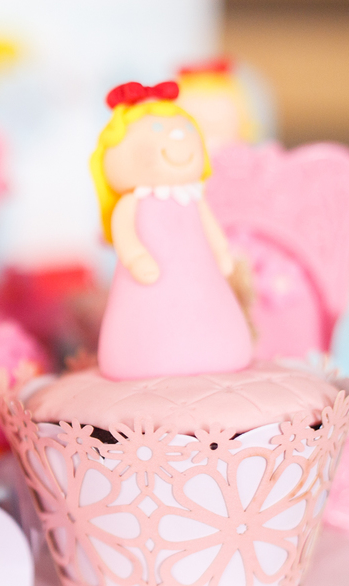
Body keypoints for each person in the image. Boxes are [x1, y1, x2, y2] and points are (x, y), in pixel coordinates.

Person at [91, 81, 252, 381]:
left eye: (186, 130)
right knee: (154, 325)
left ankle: (217, 347)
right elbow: (125, 238)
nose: (178, 137)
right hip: (149, 287)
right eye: (157, 130)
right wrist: (136, 258)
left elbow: (212, 231)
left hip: (202, 279)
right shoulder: (132, 203)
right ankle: (147, 355)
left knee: (209, 316)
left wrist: (221, 253)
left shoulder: (194, 198)